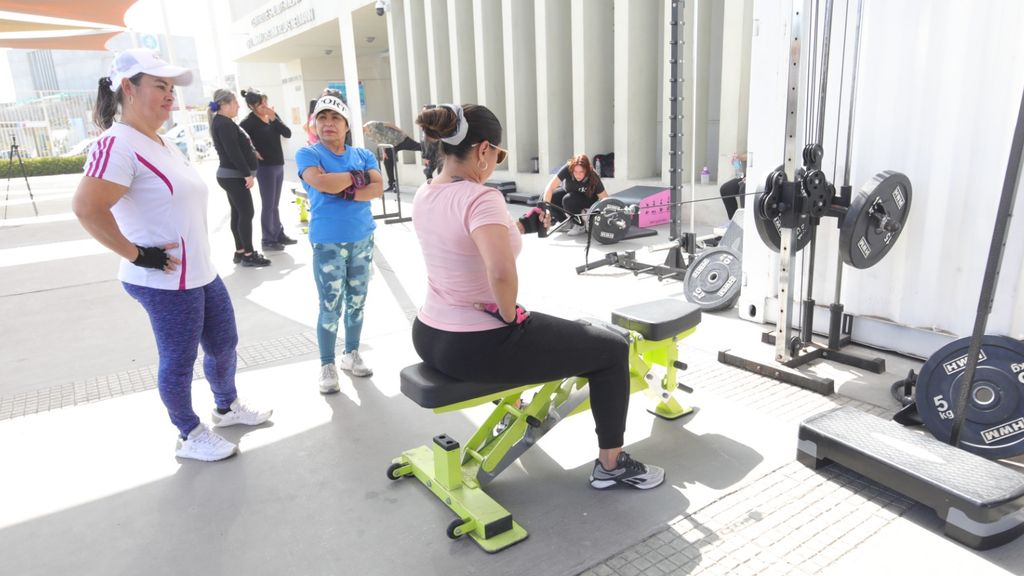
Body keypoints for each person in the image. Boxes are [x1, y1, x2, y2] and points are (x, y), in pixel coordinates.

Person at [411, 103, 665, 490]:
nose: (495, 163)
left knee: (560, 334)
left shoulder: (425, 193)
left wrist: (522, 227)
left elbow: (466, 241)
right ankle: (611, 466)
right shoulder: (481, 198)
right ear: (483, 150)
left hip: (429, 335)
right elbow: (500, 272)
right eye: (498, 155)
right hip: (476, 345)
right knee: (612, 350)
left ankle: (511, 410)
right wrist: (508, 315)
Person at [72, 49, 271, 462]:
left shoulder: (162, 142)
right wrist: (136, 255)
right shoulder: (116, 144)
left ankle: (226, 408)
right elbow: (87, 208)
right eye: (159, 86)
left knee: (224, 344)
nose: (169, 95)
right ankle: (189, 434)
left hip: (200, 271)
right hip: (163, 279)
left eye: (171, 88)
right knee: (179, 361)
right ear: (128, 88)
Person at [296, 94, 384, 393]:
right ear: (314, 124)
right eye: (322, 118)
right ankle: (327, 364)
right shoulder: (308, 154)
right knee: (330, 305)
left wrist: (343, 187)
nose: (328, 123)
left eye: (335, 118)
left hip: (362, 238)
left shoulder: (363, 154)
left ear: (347, 125)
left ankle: (351, 353)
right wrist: (358, 178)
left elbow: (377, 188)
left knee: (357, 301)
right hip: (327, 241)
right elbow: (321, 183)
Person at [209, 89, 270, 267]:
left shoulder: (223, 122)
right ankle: (249, 255)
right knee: (246, 213)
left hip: (231, 175)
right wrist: (246, 174)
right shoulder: (224, 124)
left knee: (238, 213)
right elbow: (233, 152)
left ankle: (241, 251)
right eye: (235, 102)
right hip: (233, 176)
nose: (238, 106)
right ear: (224, 104)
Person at [239, 88, 297, 252]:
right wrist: (252, 152)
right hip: (265, 168)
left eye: (265, 101)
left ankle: (278, 234)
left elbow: (287, 133)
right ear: (252, 106)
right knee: (268, 204)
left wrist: (273, 118)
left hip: (278, 164)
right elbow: (239, 142)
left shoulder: (272, 116)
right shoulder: (248, 122)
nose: (264, 105)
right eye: (260, 103)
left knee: (275, 204)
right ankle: (267, 239)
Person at [541, 154, 609, 236]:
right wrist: (547, 210)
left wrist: (606, 221)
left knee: (568, 199)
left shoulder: (593, 175)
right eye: (575, 172)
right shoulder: (567, 168)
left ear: (587, 170)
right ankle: (565, 222)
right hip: (571, 194)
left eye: (581, 172)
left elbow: (604, 198)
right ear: (571, 169)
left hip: (588, 199)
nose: (578, 175)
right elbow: (550, 187)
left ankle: (580, 225)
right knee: (550, 196)